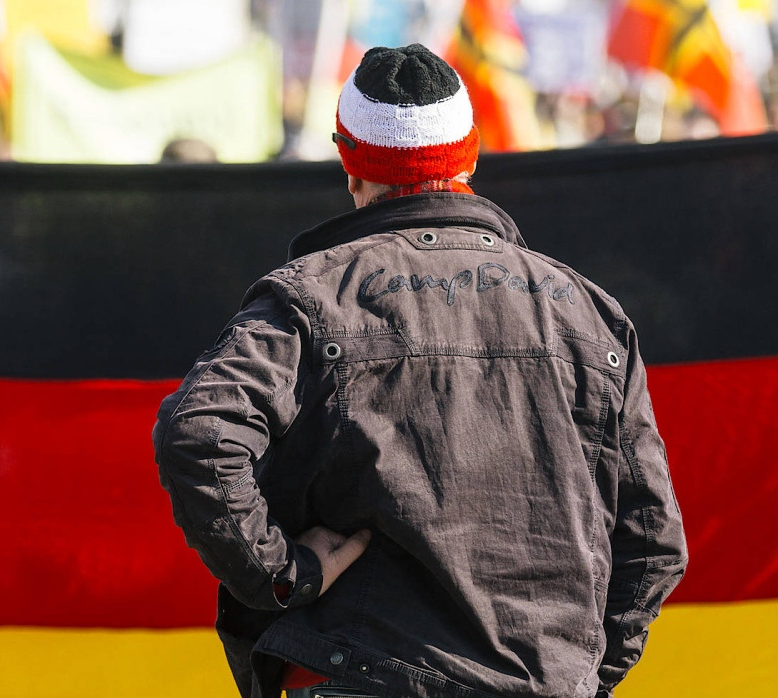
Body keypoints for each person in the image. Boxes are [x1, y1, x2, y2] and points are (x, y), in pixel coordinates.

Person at [153, 44, 687, 698]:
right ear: (469, 158)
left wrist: (283, 575)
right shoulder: (589, 312)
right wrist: (584, 680)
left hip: (356, 674)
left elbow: (199, 434)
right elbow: (652, 544)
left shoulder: (312, 297)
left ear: (352, 166)